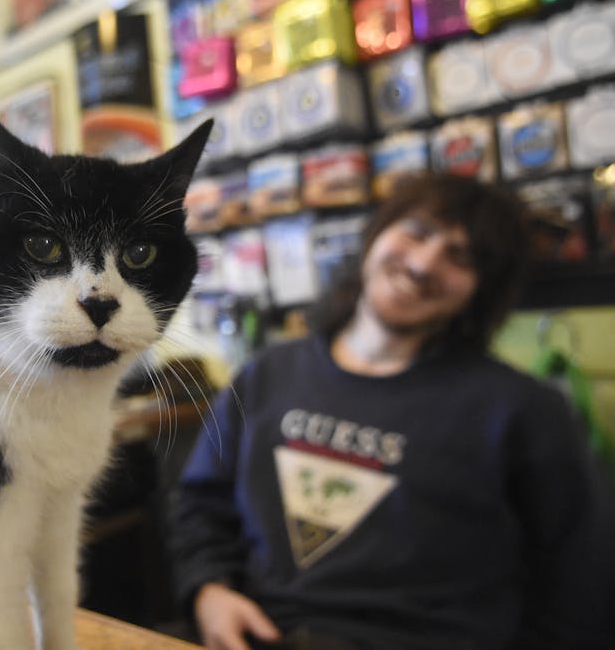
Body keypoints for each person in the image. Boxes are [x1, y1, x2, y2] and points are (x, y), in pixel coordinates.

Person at [169, 172, 606, 650]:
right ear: (377, 233)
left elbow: (579, 587)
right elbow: (200, 506)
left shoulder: (524, 412)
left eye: (459, 257)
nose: (423, 264)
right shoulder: (266, 374)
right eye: (416, 232)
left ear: (480, 289)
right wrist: (208, 588)